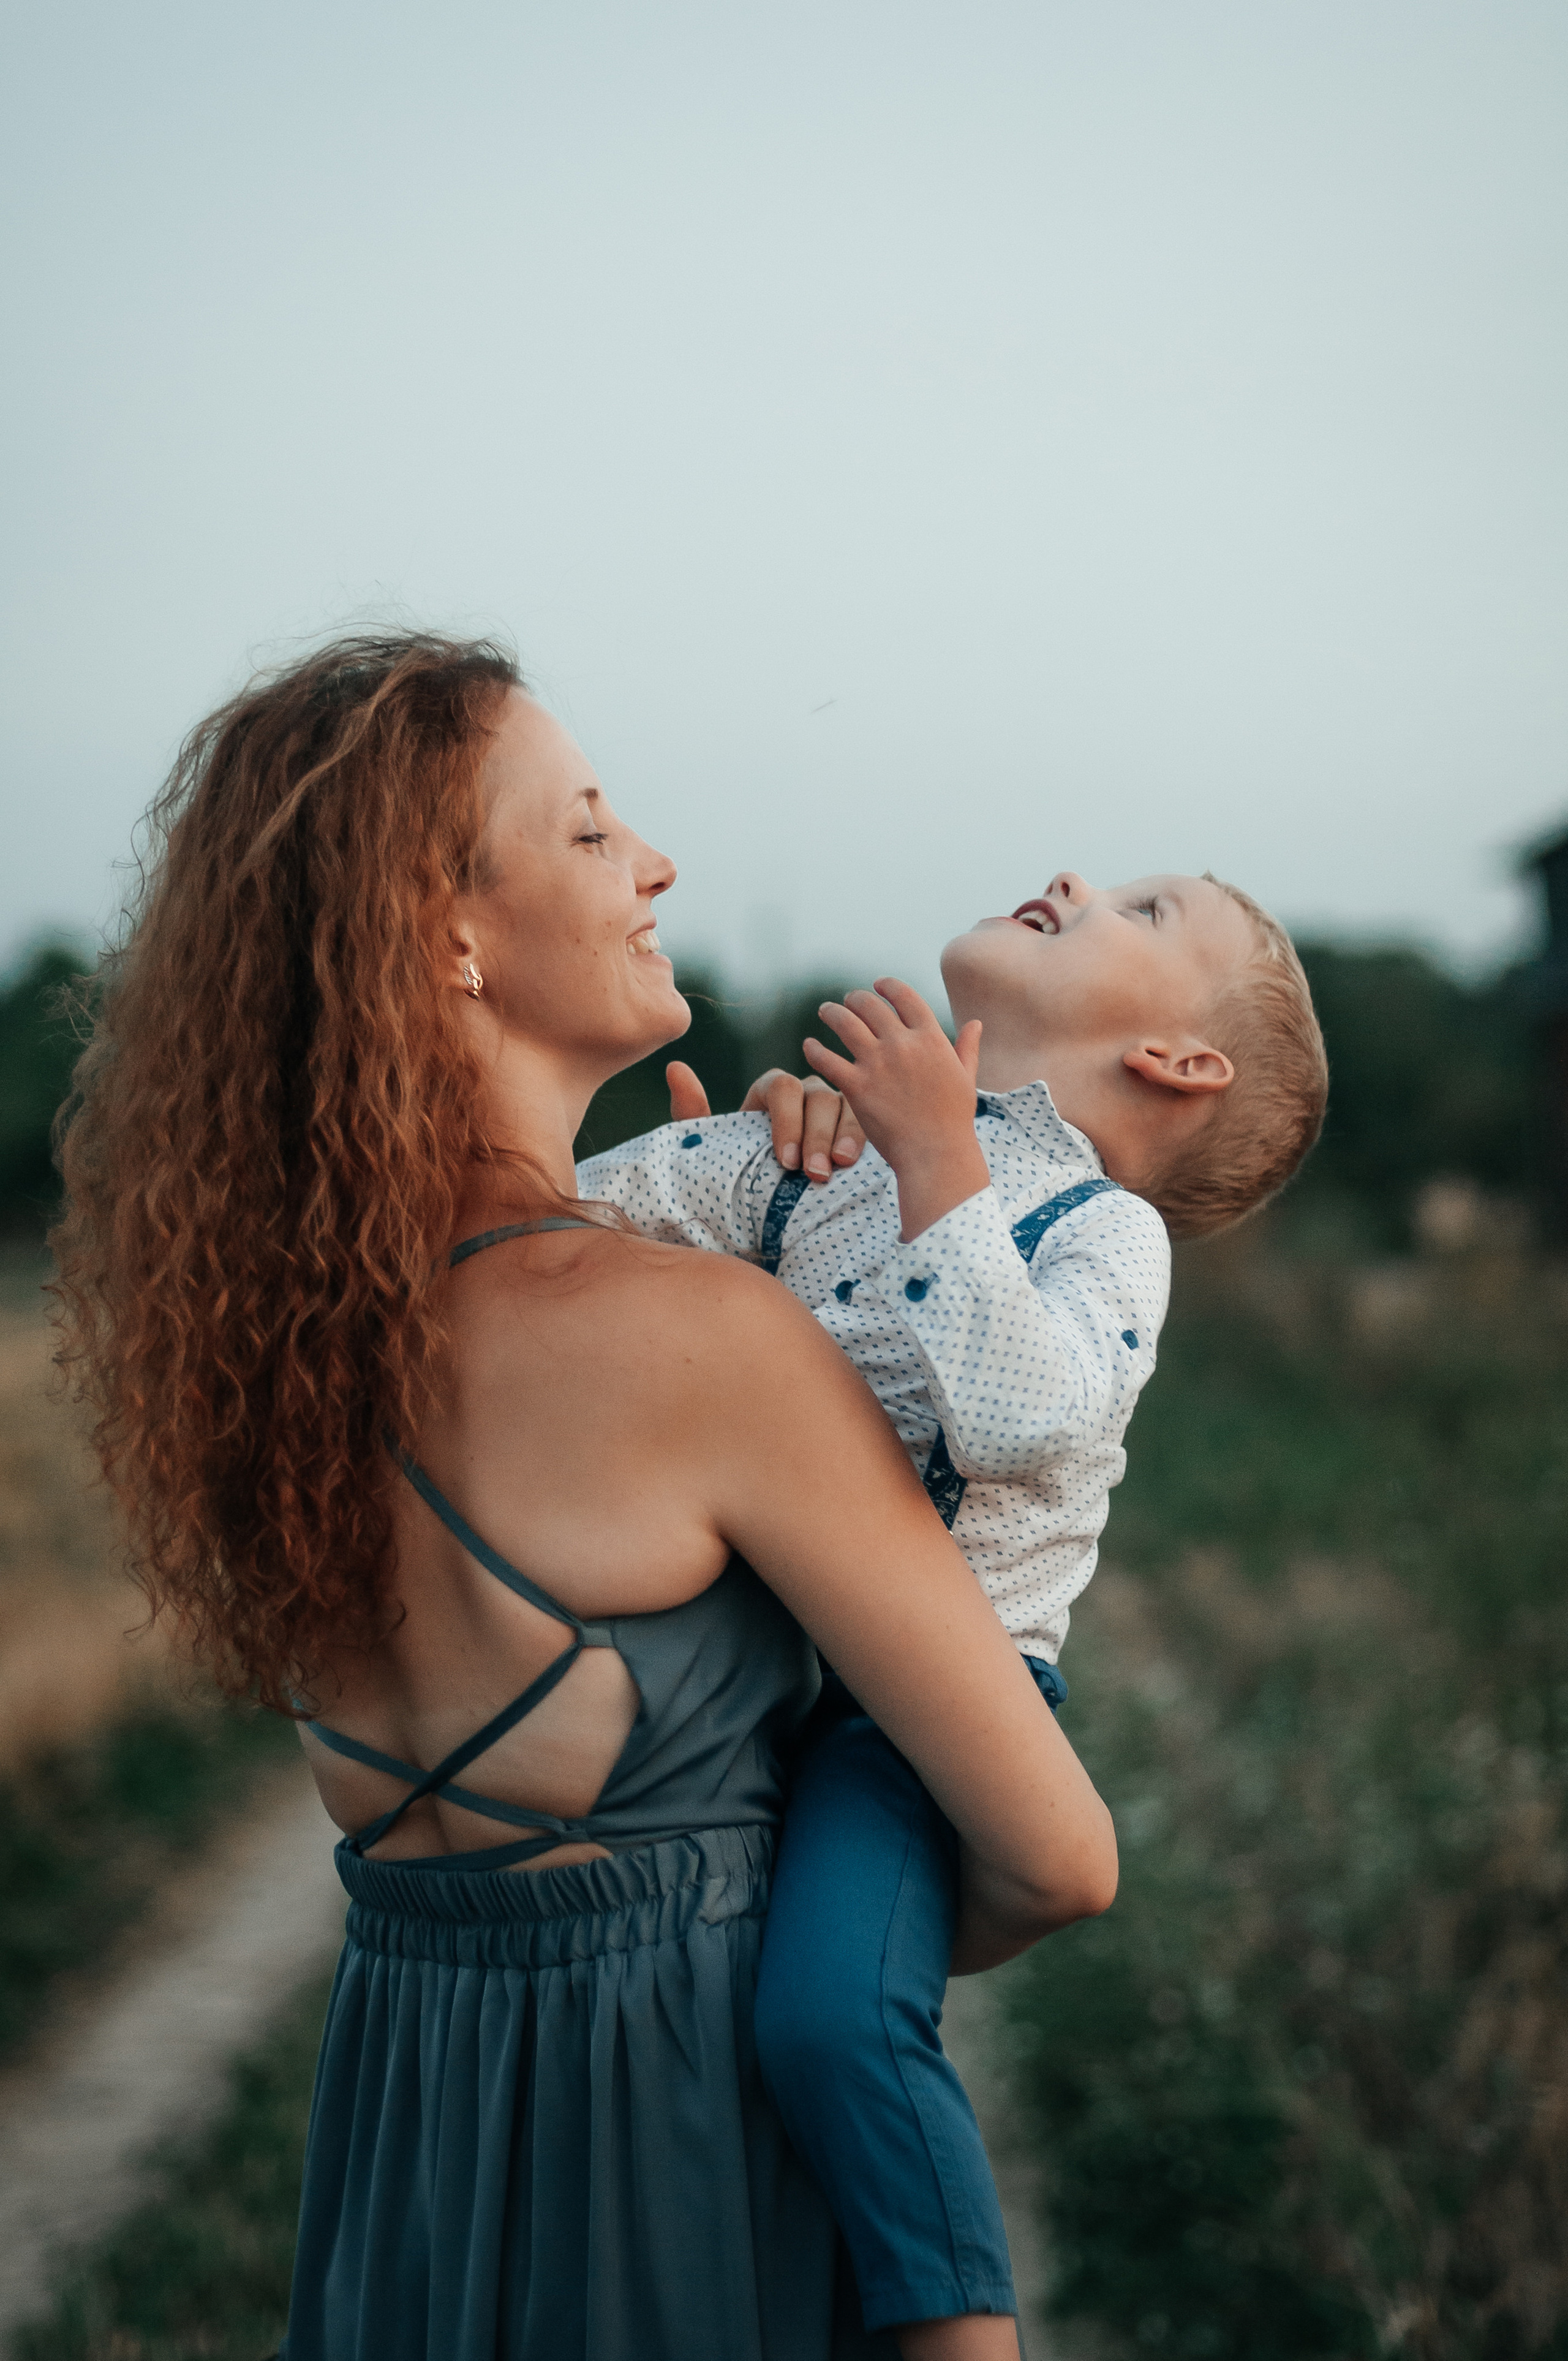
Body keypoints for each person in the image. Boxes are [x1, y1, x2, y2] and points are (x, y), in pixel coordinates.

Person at [50, 632, 1118, 2361]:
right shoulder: (701, 1344)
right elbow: (1059, 1850)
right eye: (591, 828)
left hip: (414, 2152)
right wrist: (832, 1957)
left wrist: (747, 1194)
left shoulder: (288, 1350)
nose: (658, 863)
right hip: (689, 2161)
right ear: (447, 930)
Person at [577, 867, 1329, 2340]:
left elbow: (1023, 1419)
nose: (1067, 881)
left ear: (1177, 1061)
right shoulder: (834, 1149)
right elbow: (560, 1226)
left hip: (920, 1713)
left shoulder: (1106, 1233)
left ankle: (960, 2334)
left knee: (826, 2018)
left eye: (1144, 907)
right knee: (680, 2021)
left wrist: (940, 1172)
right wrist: (681, 1168)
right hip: (742, 1678)